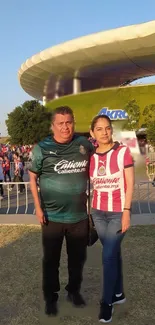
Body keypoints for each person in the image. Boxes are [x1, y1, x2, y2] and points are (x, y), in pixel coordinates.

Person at [29, 106, 93, 316]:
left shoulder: (83, 144)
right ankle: (51, 297)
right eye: (60, 123)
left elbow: (101, 156)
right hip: (51, 217)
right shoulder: (42, 148)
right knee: (51, 260)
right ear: (53, 126)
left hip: (78, 217)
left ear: (73, 123)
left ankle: (73, 291)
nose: (65, 127)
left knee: (77, 259)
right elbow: (32, 177)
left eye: (69, 122)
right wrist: (38, 208)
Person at [89, 115, 134, 323]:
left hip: (117, 213)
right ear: (92, 133)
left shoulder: (122, 152)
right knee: (112, 253)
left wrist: (126, 211)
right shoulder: (91, 156)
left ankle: (106, 303)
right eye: (99, 129)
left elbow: (130, 183)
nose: (104, 132)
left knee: (107, 256)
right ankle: (118, 294)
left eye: (107, 128)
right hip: (98, 212)